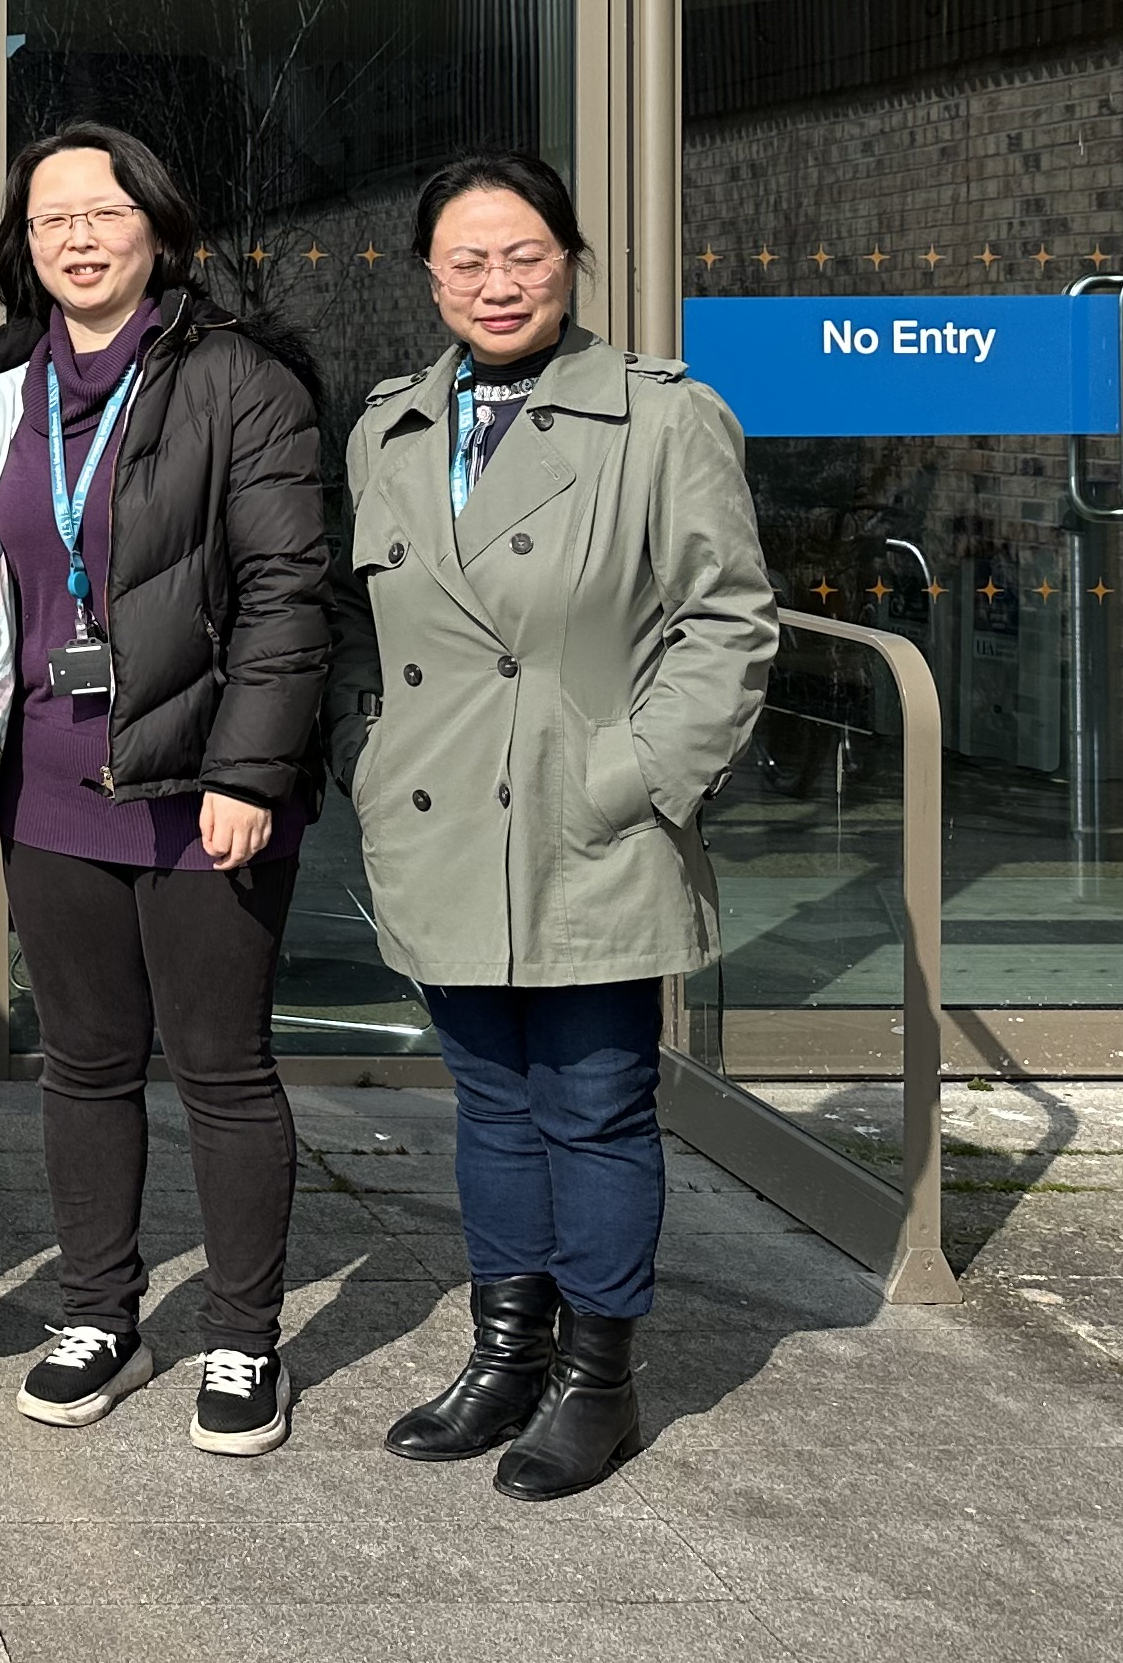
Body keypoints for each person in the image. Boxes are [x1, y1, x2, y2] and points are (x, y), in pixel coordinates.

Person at [328, 151, 774, 1501]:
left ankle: (598, 1380)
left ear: (571, 260)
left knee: (593, 1104)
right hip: (443, 817)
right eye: (466, 261)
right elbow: (371, 627)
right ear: (429, 278)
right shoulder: (390, 426)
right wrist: (369, 756)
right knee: (489, 1103)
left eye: (524, 255)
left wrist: (632, 777)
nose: (497, 283)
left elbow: (726, 621)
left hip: (591, 823)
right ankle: (504, 1356)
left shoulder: (661, 417)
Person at [0, 124, 329, 1456]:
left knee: (222, 1069)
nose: (76, 237)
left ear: (160, 229)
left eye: (103, 212)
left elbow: (290, 588)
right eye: (50, 218)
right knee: (84, 1064)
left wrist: (250, 767)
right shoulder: (0, 388)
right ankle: (98, 1315)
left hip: (202, 785)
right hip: (49, 780)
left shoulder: (241, 380)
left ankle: (243, 1336)